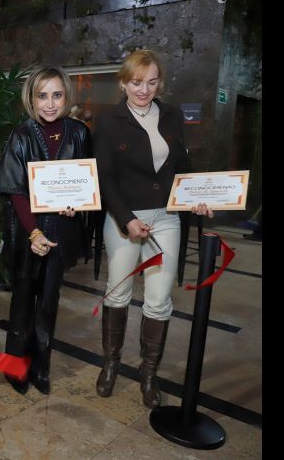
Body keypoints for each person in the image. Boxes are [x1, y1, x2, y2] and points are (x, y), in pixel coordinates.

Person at [93, 49, 212, 408]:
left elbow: (182, 166)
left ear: (160, 81)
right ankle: (111, 365)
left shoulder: (172, 116)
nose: (144, 89)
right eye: (136, 82)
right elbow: (106, 177)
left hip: (166, 217)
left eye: (152, 81)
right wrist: (127, 219)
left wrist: (195, 196)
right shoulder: (110, 121)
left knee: (159, 300)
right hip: (124, 217)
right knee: (118, 294)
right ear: (123, 82)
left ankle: (149, 373)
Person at [0, 66, 92, 395]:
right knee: (22, 301)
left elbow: (86, 182)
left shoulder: (79, 133)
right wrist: (34, 233)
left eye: (57, 95)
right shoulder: (21, 135)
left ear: (66, 97)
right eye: (42, 96)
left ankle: (41, 366)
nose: (50, 103)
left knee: (49, 302)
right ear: (31, 99)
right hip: (28, 232)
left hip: (62, 230)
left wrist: (76, 204)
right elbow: (15, 191)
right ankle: (14, 366)